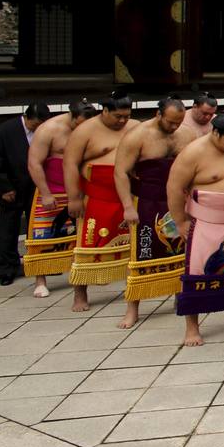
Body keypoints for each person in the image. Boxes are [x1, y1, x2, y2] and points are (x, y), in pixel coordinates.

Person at [167, 112, 224, 346]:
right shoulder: (193, 153)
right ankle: (192, 327)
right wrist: (181, 222)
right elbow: (175, 188)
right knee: (196, 274)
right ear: (215, 133)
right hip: (204, 222)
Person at [113, 97, 194, 327]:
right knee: (141, 253)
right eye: (170, 122)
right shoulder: (137, 136)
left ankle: (181, 298)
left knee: (182, 252)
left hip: (177, 200)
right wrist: (128, 206)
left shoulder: (187, 134)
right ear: (158, 114)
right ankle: (132, 308)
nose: (174, 127)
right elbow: (120, 172)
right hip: (147, 200)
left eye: (178, 122)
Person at [65, 93, 137, 312]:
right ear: (104, 110)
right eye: (117, 116)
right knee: (86, 243)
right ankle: (80, 293)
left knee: (133, 244)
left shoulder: (135, 127)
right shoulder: (85, 131)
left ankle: (133, 286)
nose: (122, 121)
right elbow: (70, 164)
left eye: (126, 116)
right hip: (97, 196)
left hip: (128, 194)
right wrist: (74, 197)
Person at [22, 100, 97, 296]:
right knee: (43, 235)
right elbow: (34, 163)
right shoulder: (49, 129)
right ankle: (40, 280)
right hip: (52, 190)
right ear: (71, 116)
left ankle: (80, 275)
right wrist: (45, 193)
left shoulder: (93, 128)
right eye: (79, 124)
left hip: (79, 190)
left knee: (79, 236)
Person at [0, 102, 51, 286]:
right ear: (28, 118)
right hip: (12, 188)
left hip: (36, 187)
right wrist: (5, 188)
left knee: (40, 228)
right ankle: (7, 269)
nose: (39, 128)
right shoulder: (3, 131)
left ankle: (44, 265)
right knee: (8, 229)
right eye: (36, 124)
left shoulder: (46, 131)